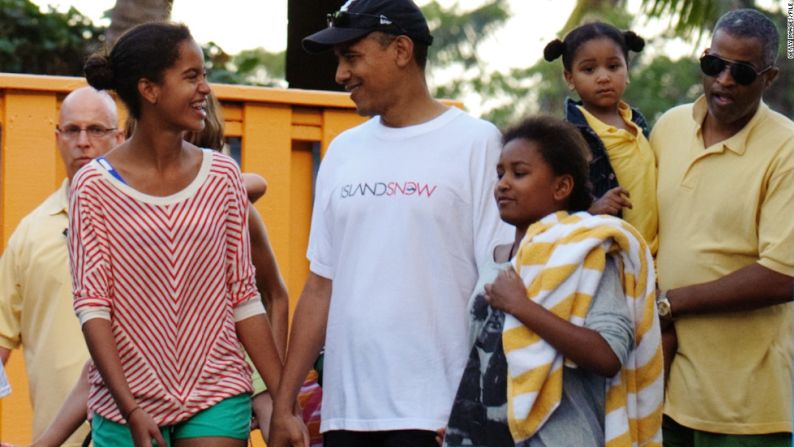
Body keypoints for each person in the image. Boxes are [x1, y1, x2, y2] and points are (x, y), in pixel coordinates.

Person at [269, 1, 512, 446]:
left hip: (438, 413)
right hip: (346, 415)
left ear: (401, 50)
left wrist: (474, 410)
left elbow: (496, 287)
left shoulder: (478, 143)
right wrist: (284, 405)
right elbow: (320, 285)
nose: (340, 75)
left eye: (352, 57)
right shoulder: (343, 151)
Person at [25, 90, 291, 447]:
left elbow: (267, 295)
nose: (83, 142)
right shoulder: (92, 201)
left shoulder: (226, 192)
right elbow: (99, 345)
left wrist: (278, 398)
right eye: (72, 130)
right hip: (136, 385)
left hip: (227, 374)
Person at [442, 116, 663, 446]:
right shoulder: (494, 260)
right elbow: (484, 358)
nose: (503, 184)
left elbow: (608, 355)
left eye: (519, 173)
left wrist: (521, 307)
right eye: (500, 173)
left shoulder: (582, 254)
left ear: (561, 187)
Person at [651, 8, 794, 447]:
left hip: (746, 408)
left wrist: (670, 304)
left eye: (743, 72)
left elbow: (783, 274)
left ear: (768, 78)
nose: (724, 81)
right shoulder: (670, 126)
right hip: (666, 391)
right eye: (714, 65)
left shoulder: (786, 148)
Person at [0, 86, 124, 446]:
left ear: (119, 138)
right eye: (72, 130)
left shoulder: (148, 219)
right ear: (58, 138)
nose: (83, 142)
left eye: (97, 130)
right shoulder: (30, 233)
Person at [544, 22, 657, 254]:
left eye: (614, 66)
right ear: (569, 78)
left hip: (651, 259)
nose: (603, 77)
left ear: (627, 71)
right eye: (589, 70)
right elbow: (549, 210)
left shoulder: (639, 126)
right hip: (606, 259)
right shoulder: (568, 139)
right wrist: (591, 212)